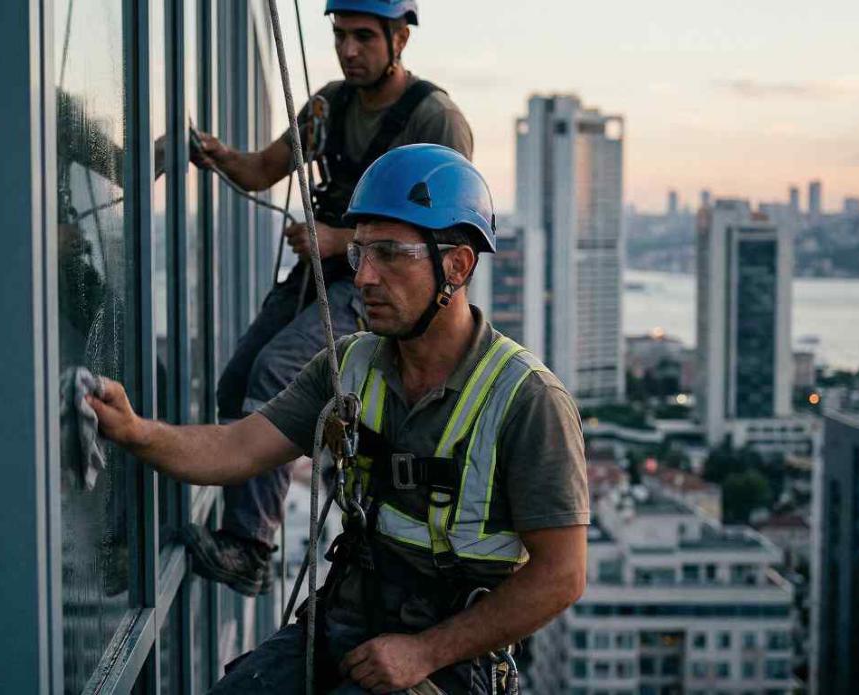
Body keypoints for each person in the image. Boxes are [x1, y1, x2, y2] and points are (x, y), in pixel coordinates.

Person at [89, 145, 588, 694]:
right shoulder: (351, 363)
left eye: (391, 254)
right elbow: (237, 447)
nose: (366, 277)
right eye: (359, 254)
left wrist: (424, 652)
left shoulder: (526, 399)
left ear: (457, 264)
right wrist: (135, 431)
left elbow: (561, 575)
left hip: (450, 661)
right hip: (345, 625)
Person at [188, 0, 475, 596]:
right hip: (322, 275)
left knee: (274, 373)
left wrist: (339, 238)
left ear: (400, 38)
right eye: (340, 35)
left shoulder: (434, 120)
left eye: (364, 37)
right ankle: (240, 524)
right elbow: (262, 170)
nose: (348, 50)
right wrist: (213, 153)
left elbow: (449, 228)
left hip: (378, 287)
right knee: (234, 381)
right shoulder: (328, 106)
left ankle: (250, 545)